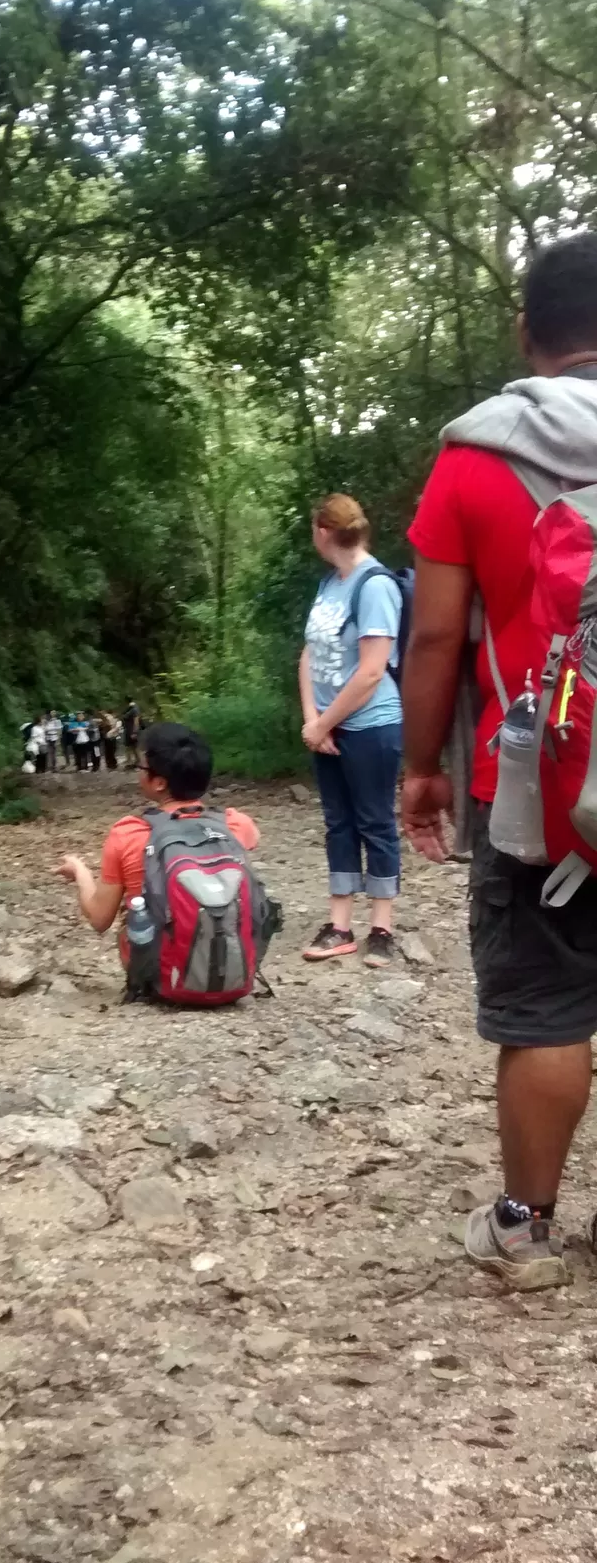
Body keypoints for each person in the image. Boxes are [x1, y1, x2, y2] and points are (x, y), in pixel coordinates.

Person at [402, 231, 597, 1291]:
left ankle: (525, 1228)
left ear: (528, 333)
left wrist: (421, 765)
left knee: (545, 1004)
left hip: (537, 790)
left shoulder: (476, 457)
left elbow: (436, 637)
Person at [299, 494, 403, 969]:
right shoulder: (330, 583)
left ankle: (382, 928)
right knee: (338, 823)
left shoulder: (375, 585)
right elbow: (309, 654)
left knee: (375, 822)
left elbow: (371, 672)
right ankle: (339, 925)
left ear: (323, 531)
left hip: (370, 725)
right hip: (326, 728)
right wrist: (312, 721)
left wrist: (326, 721)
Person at [56, 721, 259, 955]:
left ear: (160, 783)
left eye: (141, 768)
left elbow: (100, 920)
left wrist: (80, 872)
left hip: (159, 977)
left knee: (133, 911)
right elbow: (252, 840)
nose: (138, 773)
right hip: (232, 970)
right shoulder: (236, 823)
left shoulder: (128, 833)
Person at [122, 700, 141, 768]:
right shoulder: (130, 709)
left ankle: (135, 762)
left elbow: (136, 721)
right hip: (128, 730)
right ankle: (134, 762)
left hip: (131, 731)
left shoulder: (134, 709)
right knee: (131, 747)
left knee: (133, 747)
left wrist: (135, 732)